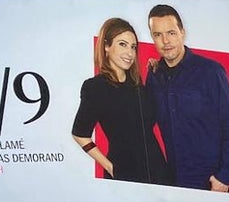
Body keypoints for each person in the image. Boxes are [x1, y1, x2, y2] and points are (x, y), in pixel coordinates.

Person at [146, 4, 229, 192]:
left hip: (209, 181)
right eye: (158, 35)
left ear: (182, 32)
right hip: (171, 180)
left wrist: (223, 177)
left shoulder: (211, 72)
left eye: (171, 33)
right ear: (152, 38)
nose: (165, 41)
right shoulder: (154, 75)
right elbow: (144, 121)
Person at [71, 17, 173, 185]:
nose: (130, 53)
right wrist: (111, 168)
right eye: (122, 44)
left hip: (159, 171)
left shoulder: (137, 83)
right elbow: (79, 134)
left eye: (133, 47)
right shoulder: (95, 87)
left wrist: (158, 72)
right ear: (106, 46)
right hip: (125, 174)